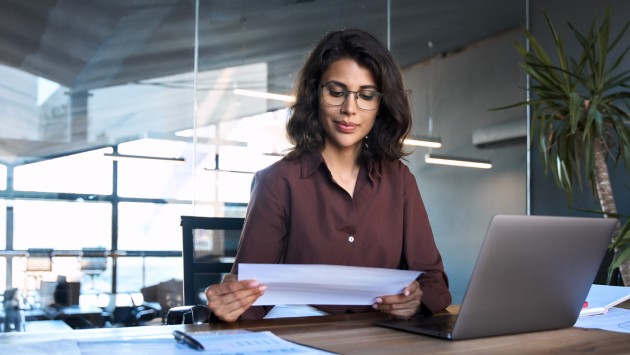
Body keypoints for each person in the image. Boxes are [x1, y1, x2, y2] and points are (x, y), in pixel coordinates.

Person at [205, 28, 451, 322]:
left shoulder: (400, 181)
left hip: (382, 338)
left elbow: (434, 283)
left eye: (366, 96)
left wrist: (415, 301)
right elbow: (249, 298)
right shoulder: (277, 182)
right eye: (336, 92)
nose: (350, 109)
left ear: (380, 106)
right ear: (315, 94)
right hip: (301, 335)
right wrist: (230, 303)